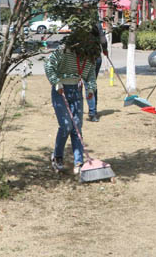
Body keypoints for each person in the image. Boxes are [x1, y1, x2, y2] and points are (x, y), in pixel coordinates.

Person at [45, 31, 98, 174]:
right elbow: (49, 65)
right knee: (66, 125)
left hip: (76, 90)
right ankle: (57, 157)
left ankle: (79, 162)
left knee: (77, 127)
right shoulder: (63, 51)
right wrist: (56, 82)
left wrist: (90, 89)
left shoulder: (88, 56)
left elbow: (90, 74)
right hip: (60, 90)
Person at [87, 22, 109, 122]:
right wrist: (105, 49)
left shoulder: (79, 22)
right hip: (96, 57)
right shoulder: (97, 24)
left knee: (80, 85)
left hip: (84, 58)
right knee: (91, 84)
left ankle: (78, 110)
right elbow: (103, 40)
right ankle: (93, 112)